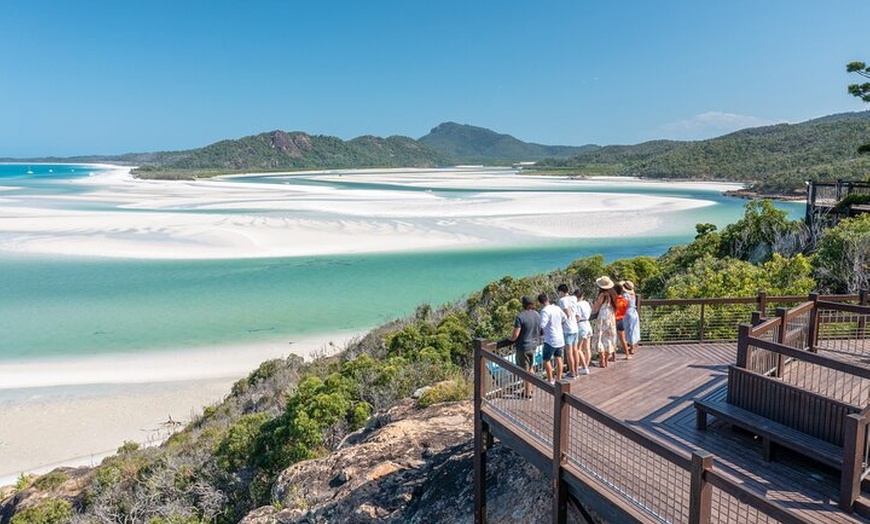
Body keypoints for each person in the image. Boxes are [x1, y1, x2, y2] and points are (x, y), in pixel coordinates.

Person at [503, 295, 542, 398]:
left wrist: (509, 338)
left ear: (523, 305)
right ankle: (531, 389)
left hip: (523, 347)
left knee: (525, 371)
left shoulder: (521, 317)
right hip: (534, 345)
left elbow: (515, 335)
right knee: (531, 367)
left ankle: (527, 394)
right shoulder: (537, 315)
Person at [538, 293, 566, 383]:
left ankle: (550, 379)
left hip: (550, 339)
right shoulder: (557, 308)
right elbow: (565, 318)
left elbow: (542, 324)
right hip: (560, 337)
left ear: (540, 302)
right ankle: (559, 378)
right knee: (558, 358)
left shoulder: (544, 311)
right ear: (548, 299)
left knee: (546, 359)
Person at [591, 276, 618, 368]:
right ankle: (606, 360)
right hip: (611, 318)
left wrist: (591, 310)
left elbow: (596, 306)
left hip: (603, 317)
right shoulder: (613, 294)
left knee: (600, 338)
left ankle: (602, 360)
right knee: (609, 339)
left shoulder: (603, 295)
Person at [557, 284, 580, 378]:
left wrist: (561, 321)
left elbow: (566, 312)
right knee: (575, 350)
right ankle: (577, 370)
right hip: (575, 327)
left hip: (568, 328)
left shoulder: (562, 300)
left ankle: (572, 372)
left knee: (569, 352)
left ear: (561, 292)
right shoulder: (574, 298)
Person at [573, 289, 592, 375]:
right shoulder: (586, 303)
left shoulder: (577, 305)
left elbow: (577, 317)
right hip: (587, 324)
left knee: (578, 348)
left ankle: (584, 367)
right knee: (587, 348)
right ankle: (586, 366)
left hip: (581, 325)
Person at [622, 280, 641, 355]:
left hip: (628, 313)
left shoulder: (626, 295)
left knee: (629, 330)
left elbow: (624, 304)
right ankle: (632, 346)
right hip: (634, 312)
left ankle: (631, 348)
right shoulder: (633, 294)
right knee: (633, 329)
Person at [614, 282, 631, 360]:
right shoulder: (625, 301)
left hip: (614, 320)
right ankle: (627, 354)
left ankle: (614, 356)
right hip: (621, 320)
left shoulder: (614, 301)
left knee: (613, 338)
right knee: (623, 339)